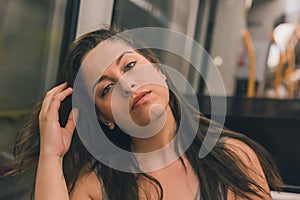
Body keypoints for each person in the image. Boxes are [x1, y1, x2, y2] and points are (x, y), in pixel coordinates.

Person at [4, 27, 282, 200]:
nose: (127, 84)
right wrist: (51, 156)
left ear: (159, 70)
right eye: (107, 88)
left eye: (129, 66)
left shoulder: (233, 159)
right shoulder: (96, 186)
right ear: (104, 117)